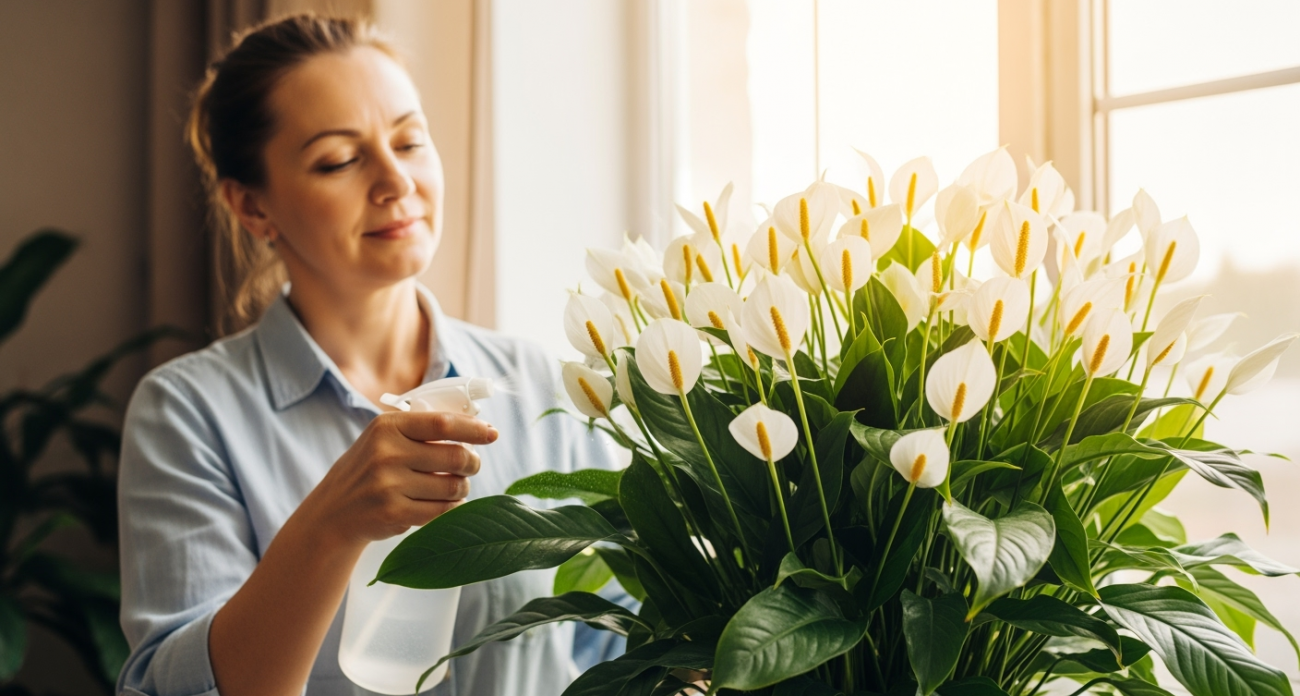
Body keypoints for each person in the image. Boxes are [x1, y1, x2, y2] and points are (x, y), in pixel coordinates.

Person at [117, 15, 620, 696]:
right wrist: (332, 523)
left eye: (410, 141)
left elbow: (622, 640)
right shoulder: (188, 413)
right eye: (339, 160)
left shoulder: (533, 382)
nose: (395, 181)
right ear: (252, 206)